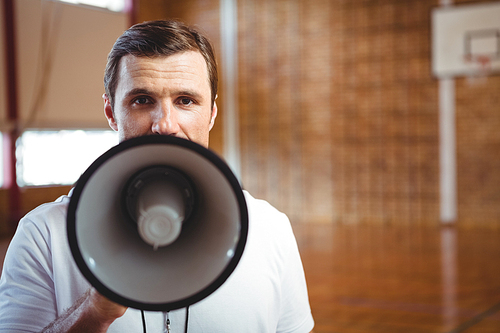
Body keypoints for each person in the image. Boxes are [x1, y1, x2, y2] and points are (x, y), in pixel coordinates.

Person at [0, 20, 314, 333]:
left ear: (212, 113)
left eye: (186, 100)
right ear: (111, 113)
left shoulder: (270, 230)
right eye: (142, 100)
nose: (164, 124)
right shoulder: (43, 236)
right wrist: (94, 311)